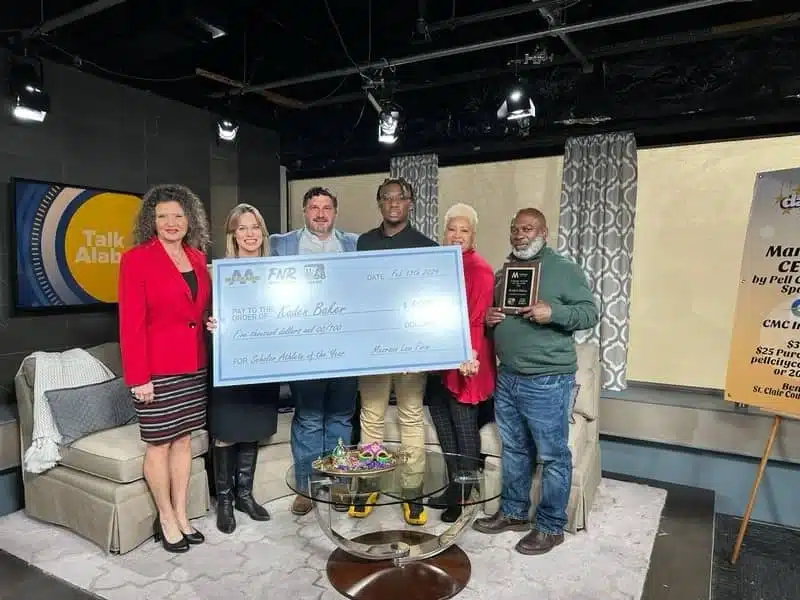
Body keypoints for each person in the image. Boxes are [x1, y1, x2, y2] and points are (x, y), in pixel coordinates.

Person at [472, 208, 598, 556]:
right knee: (515, 449)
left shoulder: (564, 269)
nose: (519, 235)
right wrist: (490, 319)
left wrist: (553, 313)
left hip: (547, 379)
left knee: (553, 455)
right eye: (515, 229)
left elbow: (589, 313)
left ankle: (550, 526)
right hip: (508, 377)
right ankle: (513, 513)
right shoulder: (505, 274)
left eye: (527, 229)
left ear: (544, 232)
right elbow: (499, 321)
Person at [118, 184, 212, 553]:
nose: (171, 223)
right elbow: (130, 324)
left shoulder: (198, 258)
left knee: (183, 440)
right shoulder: (136, 260)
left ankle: (182, 515)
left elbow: (197, 311)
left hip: (193, 364)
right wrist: (139, 378)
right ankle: (166, 517)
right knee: (158, 444)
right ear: (151, 221)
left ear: (190, 220)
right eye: (162, 217)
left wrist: (211, 322)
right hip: (156, 371)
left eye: (178, 216)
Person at [351, 177, 438, 526]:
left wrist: (420, 346)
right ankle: (369, 484)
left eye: (399, 198)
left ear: (410, 202)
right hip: (373, 346)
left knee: (410, 417)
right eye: (386, 198)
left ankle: (411, 491)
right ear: (380, 203)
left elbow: (431, 300)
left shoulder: (427, 247)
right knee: (371, 416)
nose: (393, 203)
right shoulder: (364, 243)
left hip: (411, 349)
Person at [270, 186, 360, 516]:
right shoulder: (281, 244)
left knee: (340, 417)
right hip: (303, 348)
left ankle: (338, 484)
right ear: (304, 212)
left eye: (326, 208)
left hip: (345, 348)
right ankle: (308, 487)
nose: (320, 214)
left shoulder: (354, 244)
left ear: (335, 212)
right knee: (308, 419)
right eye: (314, 208)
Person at [206, 204, 279, 533]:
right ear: (232, 235)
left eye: (255, 227)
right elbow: (202, 312)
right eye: (242, 228)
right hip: (229, 363)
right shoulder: (218, 273)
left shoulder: (277, 272)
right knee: (226, 431)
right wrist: (210, 322)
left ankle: (244, 496)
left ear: (262, 233)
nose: (249, 234)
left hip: (264, 363)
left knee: (253, 428)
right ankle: (225, 500)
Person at [427, 203, 495, 523]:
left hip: (468, 359)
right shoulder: (440, 265)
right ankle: (455, 488)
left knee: (463, 428)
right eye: (452, 229)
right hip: (441, 358)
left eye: (463, 230)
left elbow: (475, 320)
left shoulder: (480, 269)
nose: (457, 235)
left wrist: (469, 356)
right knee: (443, 423)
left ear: (473, 235)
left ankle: (466, 493)